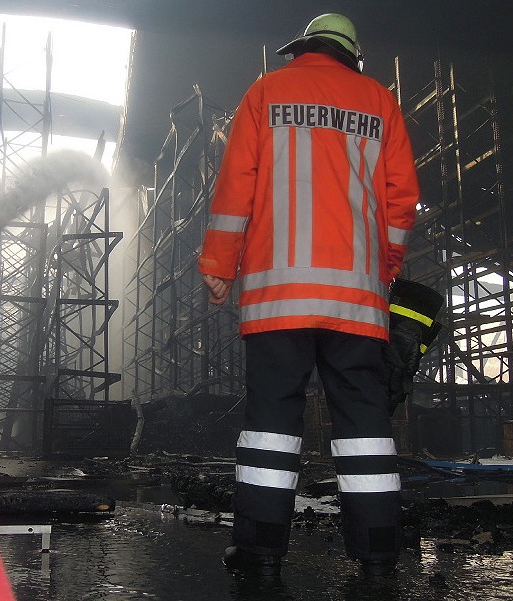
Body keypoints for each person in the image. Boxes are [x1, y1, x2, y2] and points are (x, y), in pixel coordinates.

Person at [198, 13, 419, 577]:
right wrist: (384, 269)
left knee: (273, 423)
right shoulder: (379, 102)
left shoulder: (266, 93)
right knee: (365, 425)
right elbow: (401, 201)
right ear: (352, 54)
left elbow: (235, 187)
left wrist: (220, 264)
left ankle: (261, 554)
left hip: (279, 297)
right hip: (356, 302)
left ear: (303, 48)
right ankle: (376, 556)